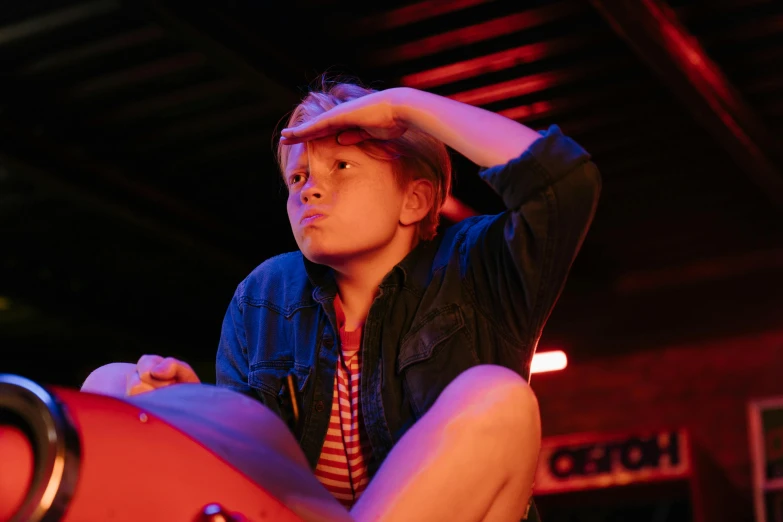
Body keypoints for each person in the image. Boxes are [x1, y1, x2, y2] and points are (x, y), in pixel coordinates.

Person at [82, 76, 601, 521]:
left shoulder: (474, 267)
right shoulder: (263, 297)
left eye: (342, 167)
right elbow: (256, 473)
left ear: (414, 199)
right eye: (299, 177)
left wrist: (402, 105)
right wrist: (202, 411)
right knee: (112, 386)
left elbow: (563, 184)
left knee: (500, 398)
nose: (309, 189)